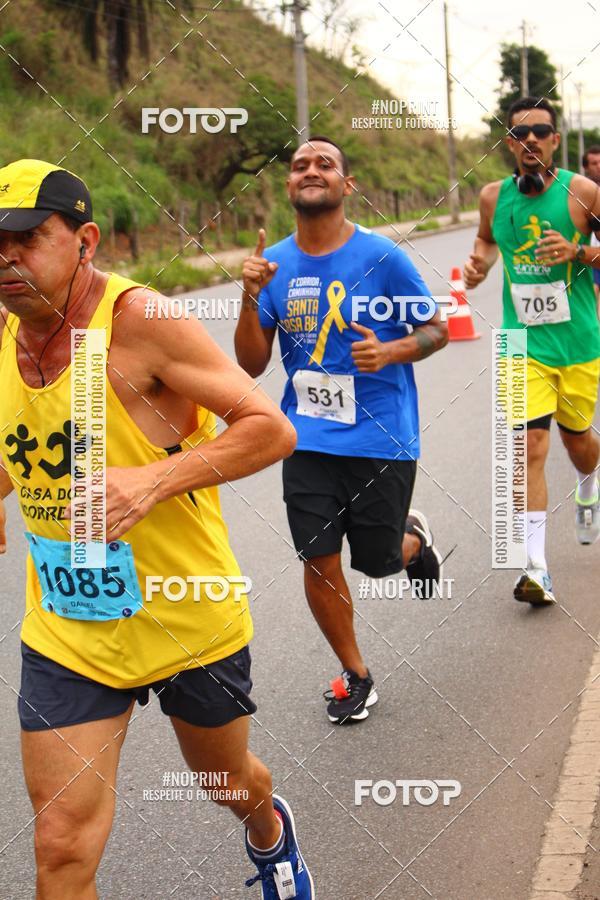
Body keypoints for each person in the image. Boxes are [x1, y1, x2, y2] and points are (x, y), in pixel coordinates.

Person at [0, 159, 314, 900]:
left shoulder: (144, 322)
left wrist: (152, 479)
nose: (6, 259)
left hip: (186, 614)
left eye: (24, 238)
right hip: (70, 628)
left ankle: (269, 833)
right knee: (60, 840)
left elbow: (270, 429)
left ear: (84, 240)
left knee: (224, 780)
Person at [234, 136, 448, 725]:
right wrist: (250, 298)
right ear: (288, 185)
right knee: (318, 560)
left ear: (346, 185)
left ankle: (413, 541)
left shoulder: (383, 258)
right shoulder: (273, 265)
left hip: (381, 437)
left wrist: (394, 348)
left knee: (377, 563)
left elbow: (437, 329)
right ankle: (357, 675)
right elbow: (252, 363)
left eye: (324, 164)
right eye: (300, 164)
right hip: (305, 439)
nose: (310, 170)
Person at [464, 97, 600, 605]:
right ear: (509, 143)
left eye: (540, 131)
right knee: (528, 449)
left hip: (578, 342)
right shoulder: (492, 197)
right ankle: (537, 569)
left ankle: (589, 483)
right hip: (520, 342)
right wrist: (478, 265)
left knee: (578, 442)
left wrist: (579, 252)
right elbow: (484, 242)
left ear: (555, 140)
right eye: (520, 134)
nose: (531, 141)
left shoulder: (582, 192)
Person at [582, 145, 600, 312]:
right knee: (591, 299)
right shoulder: (579, 191)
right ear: (586, 167)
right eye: (594, 163)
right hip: (589, 252)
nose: (599, 166)